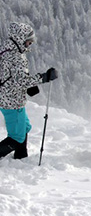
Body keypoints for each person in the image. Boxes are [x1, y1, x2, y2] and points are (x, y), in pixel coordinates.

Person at [0, 22, 58, 160]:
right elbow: (21, 81)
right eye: (28, 41)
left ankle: (21, 156)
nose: (29, 44)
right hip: (12, 101)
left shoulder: (6, 50)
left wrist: (28, 84)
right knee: (17, 136)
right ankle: (16, 155)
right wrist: (43, 78)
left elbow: (11, 76)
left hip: (8, 96)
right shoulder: (15, 56)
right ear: (20, 39)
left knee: (25, 126)